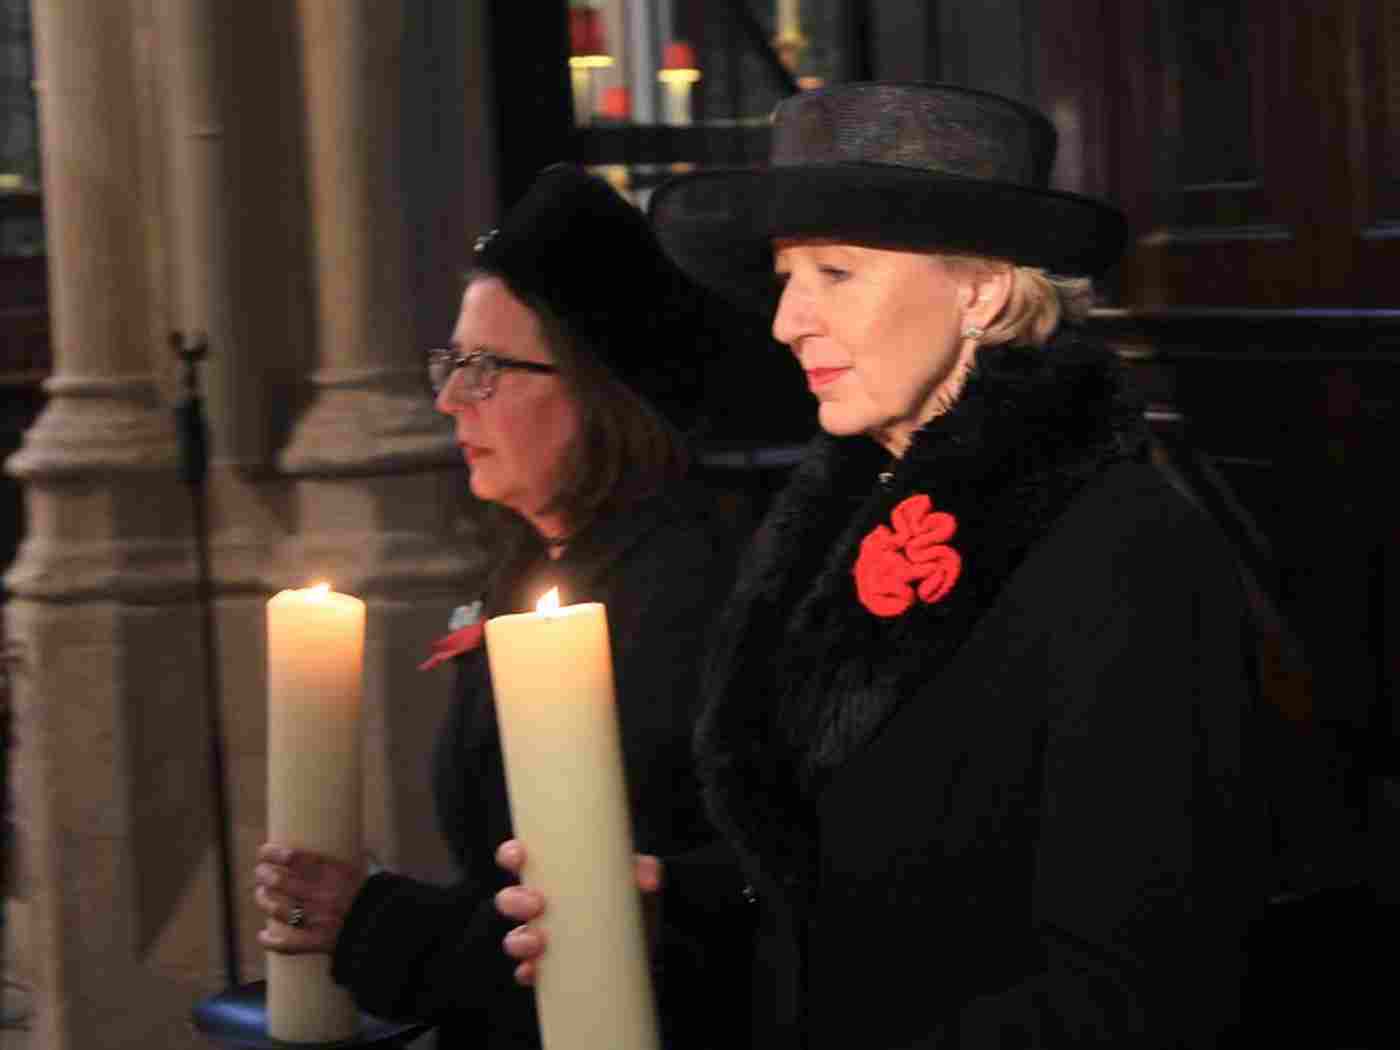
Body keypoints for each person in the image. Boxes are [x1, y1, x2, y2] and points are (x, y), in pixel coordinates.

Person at [497, 84, 1266, 1048]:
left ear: (981, 290)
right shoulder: (836, 519)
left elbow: (1137, 992)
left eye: (836, 273)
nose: (787, 321)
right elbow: (835, 875)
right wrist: (665, 914)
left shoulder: (1128, 552)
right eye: (786, 276)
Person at [253, 164, 756, 1050]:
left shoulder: (691, 589)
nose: (450, 399)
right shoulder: (530, 567)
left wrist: (375, 923)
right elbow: (509, 879)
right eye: (451, 364)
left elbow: (609, 919)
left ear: (599, 390)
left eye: (485, 369)